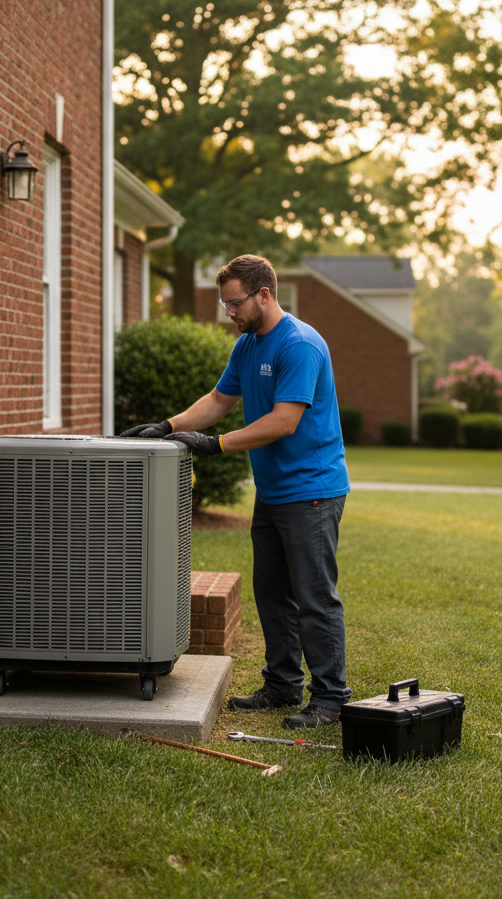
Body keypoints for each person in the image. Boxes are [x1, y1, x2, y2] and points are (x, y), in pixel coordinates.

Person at [120, 254, 351, 728]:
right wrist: (168, 426)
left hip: (311, 490)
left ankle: (331, 698)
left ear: (264, 294)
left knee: (313, 597)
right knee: (272, 593)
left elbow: (284, 421)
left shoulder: (299, 344)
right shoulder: (247, 345)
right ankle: (283, 685)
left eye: (235, 303)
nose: (229, 313)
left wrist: (215, 444)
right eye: (225, 304)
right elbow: (219, 399)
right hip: (274, 491)